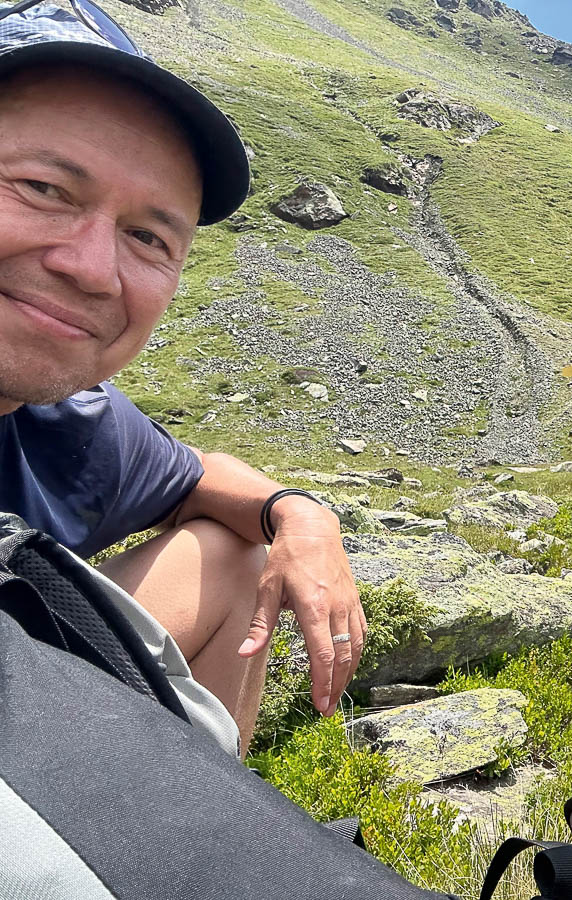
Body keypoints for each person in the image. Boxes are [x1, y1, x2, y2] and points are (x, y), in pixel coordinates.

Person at [0, 0, 364, 758]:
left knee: (230, 552)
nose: (91, 268)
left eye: (146, 236)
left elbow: (196, 477)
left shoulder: (66, 422)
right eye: (42, 187)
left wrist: (303, 516)